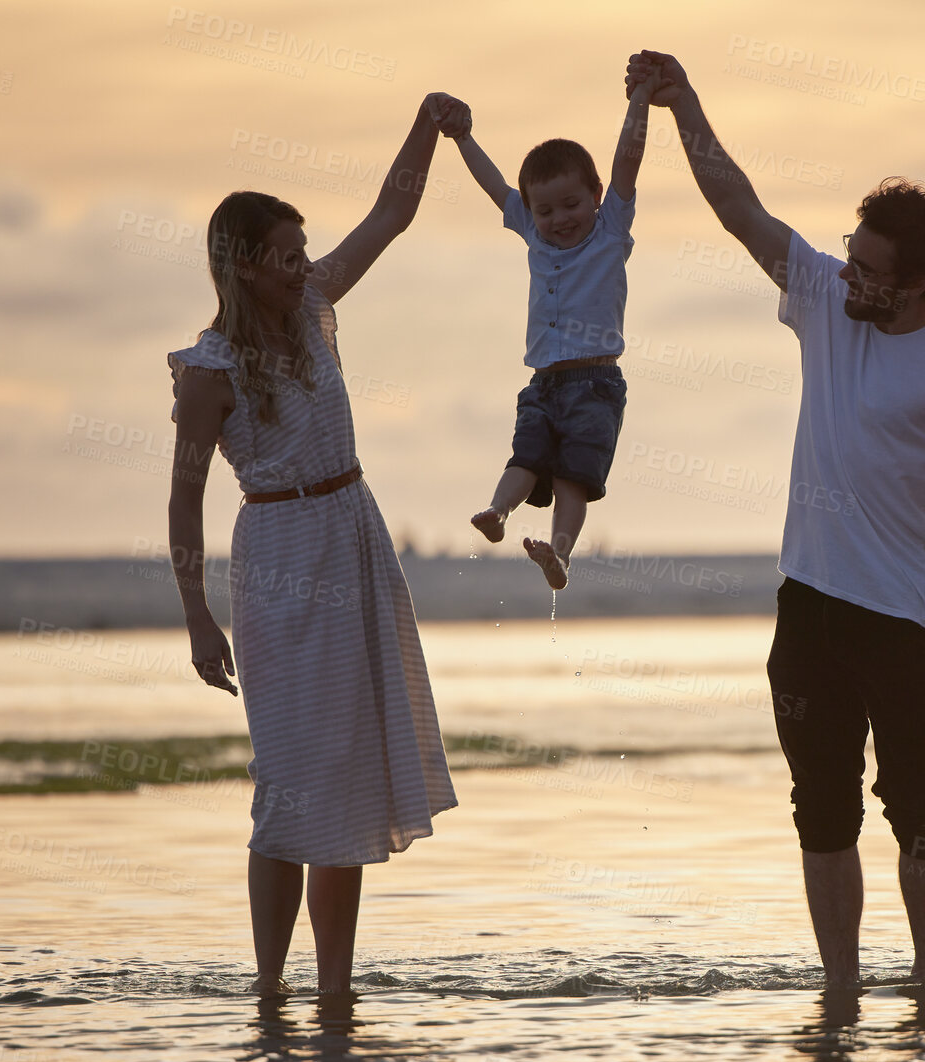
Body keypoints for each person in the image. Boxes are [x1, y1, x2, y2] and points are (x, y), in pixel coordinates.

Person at [626, 51, 925, 988]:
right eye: (850, 251)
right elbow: (739, 207)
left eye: (869, 266)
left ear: (917, 284)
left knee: (920, 803)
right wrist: (684, 105)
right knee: (821, 806)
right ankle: (841, 982)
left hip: (904, 618)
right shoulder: (828, 302)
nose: (847, 270)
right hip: (809, 608)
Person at [166, 93, 469, 996]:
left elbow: (392, 213)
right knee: (289, 781)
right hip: (279, 557)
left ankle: (334, 986)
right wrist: (197, 619)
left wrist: (426, 124)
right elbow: (182, 504)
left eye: (304, 256)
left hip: (353, 537)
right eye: (288, 258)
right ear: (246, 266)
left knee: (352, 779)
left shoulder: (316, 307)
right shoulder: (208, 372)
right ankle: (270, 984)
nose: (304, 269)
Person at [445, 75, 656, 589]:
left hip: (596, 383)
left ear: (597, 197)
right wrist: (461, 137)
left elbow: (627, 160)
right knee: (525, 457)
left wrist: (641, 99)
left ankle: (559, 556)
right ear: (530, 210)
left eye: (571, 205)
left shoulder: (609, 232)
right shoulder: (533, 235)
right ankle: (497, 511)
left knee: (572, 477)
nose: (559, 219)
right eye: (544, 210)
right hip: (543, 383)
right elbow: (495, 184)